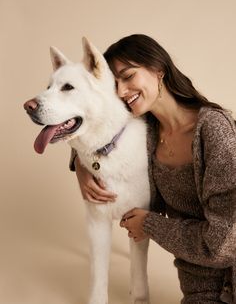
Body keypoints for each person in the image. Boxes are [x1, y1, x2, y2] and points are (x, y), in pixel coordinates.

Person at [70, 34, 236, 303]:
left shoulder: (214, 130)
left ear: (159, 70)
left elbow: (225, 242)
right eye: (114, 84)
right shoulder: (145, 130)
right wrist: (80, 165)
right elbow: (96, 125)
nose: (121, 91)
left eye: (128, 76)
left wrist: (149, 224)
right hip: (198, 287)